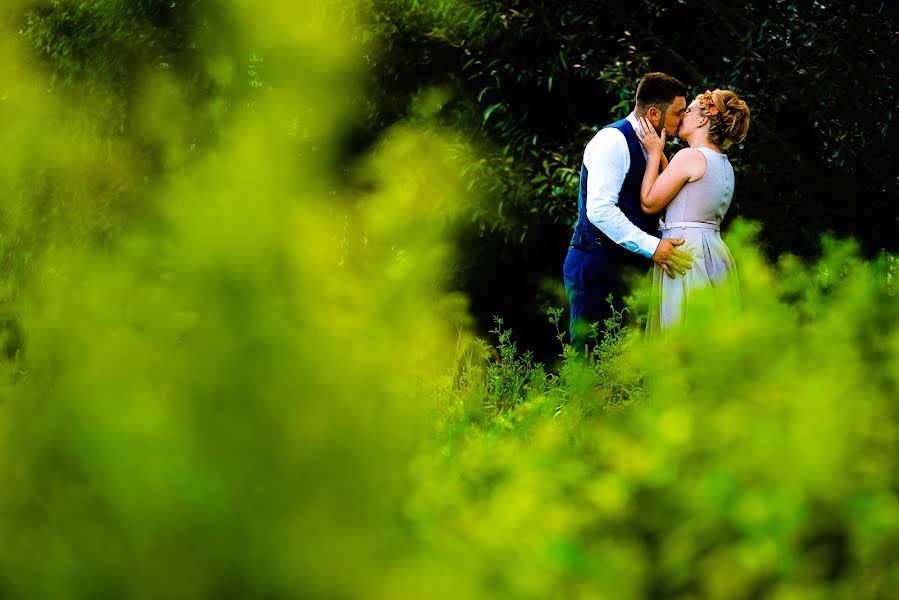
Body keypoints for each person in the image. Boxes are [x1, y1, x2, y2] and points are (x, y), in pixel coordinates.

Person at [563, 72, 693, 355]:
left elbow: (640, 208)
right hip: (597, 267)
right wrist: (654, 246)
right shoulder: (612, 141)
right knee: (590, 363)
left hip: (630, 270)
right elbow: (599, 210)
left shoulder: (653, 148)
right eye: (679, 113)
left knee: (626, 369)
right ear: (655, 113)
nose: (682, 120)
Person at [634, 89, 751, 334]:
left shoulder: (689, 156)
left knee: (681, 333)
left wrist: (654, 154)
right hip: (713, 251)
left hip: (685, 253)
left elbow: (649, 202)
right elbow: (683, 191)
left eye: (688, 111)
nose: (682, 115)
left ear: (702, 119)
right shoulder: (724, 164)